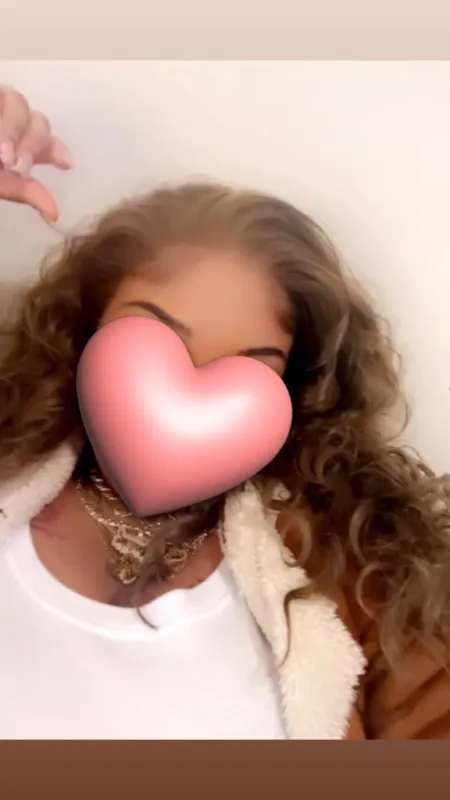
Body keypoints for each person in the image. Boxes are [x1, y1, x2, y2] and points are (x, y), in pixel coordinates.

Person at [0, 84, 449, 741]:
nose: (186, 394)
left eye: (251, 364)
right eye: (157, 335)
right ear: (85, 324)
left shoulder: (364, 569)